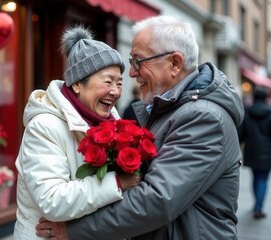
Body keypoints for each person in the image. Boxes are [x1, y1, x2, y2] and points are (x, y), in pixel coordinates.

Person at [36, 15, 245, 240]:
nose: (133, 72)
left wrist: (74, 231)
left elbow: (157, 200)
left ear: (174, 63)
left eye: (138, 61)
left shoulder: (203, 116)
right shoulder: (171, 108)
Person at [13, 26, 141, 240]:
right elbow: (52, 200)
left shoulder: (109, 122)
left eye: (119, 83)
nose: (116, 91)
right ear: (77, 84)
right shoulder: (44, 126)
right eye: (107, 81)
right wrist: (117, 182)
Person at [238, 87, 271, 219]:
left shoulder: (247, 112)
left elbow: (241, 133)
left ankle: (256, 205)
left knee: (255, 178)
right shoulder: (270, 113)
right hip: (267, 152)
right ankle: (258, 207)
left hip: (251, 150)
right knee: (263, 179)